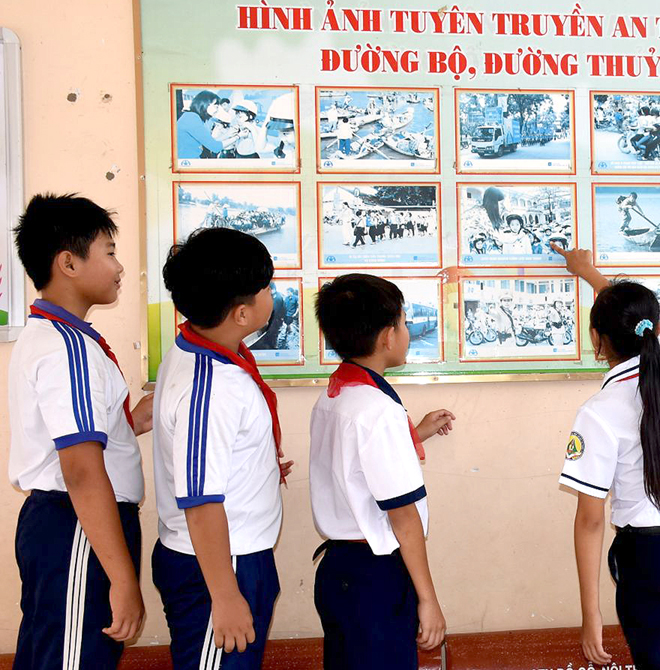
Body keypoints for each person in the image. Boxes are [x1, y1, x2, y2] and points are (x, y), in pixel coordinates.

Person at [553, 243, 660, 670]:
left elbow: (590, 521)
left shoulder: (597, 412)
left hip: (652, 558)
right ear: (656, 329)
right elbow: (634, 319)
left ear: (596, 339)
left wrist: (591, 615)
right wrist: (590, 272)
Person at [8, 194, 154, 670]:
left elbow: (78, 439)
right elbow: (82, 473)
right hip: (78, 526)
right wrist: (123, 580)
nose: (119, 266)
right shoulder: (67, 349)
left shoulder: (56, 337)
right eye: (109, 252)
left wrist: (130, 422)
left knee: (55, 653)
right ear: (68, 263)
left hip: (71, 523)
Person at [152, 228, 295, 670]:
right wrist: (226, 595)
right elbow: (200, 501)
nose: (272, 294)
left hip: (229, 556)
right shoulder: (211, 386)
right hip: (219, 566)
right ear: (241, 313)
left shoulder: (201, 349)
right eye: (266, 287)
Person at [310, 274, 455, 669]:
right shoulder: (379, 411)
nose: (407, 331)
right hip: (375, 575)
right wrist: (428, 599)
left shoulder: (335, 395)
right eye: (404, 323)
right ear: (388, 336)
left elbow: (356, 468)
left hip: (340, 569)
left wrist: (415, 434)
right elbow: (403, 516)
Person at [176, 90, 237, 160]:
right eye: (216, 106)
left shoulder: (192, 116)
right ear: (205, 104)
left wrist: (228, 134)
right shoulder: (192, 118)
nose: (217, 110)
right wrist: (238, 137)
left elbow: (209, 142)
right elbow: (215, 147)